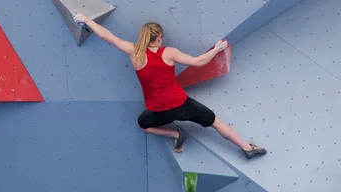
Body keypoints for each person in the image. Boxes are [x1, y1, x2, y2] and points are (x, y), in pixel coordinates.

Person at [73, 16, 267, 159]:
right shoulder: (169, 53)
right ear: (158, 38)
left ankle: (175, 133)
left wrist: (86, 19)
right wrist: (217, 49)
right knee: (217, 123)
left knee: (142, 125)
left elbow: (107, 36)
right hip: (183, 104)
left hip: (159, 112)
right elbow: (197, 62)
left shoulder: (134, 53)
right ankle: (247, 148)